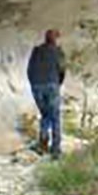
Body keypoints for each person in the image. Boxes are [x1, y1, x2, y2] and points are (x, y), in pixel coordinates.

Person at [25, 28, 66, 157]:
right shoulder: (58, 52)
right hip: (52, 85)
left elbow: (29, 70)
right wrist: (58, 83)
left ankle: (42, 144)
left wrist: (34, 84)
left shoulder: (36, 51)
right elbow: (62, 69)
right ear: (56, 39)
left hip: (37, 86)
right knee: (55, 117)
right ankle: (56, 149)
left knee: (45, 114)